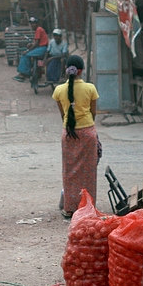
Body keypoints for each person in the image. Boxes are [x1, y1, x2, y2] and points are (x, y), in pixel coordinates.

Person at [52, 55, 99, 218]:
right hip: (88, 133)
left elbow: (63, 114)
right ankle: (88, 207)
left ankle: (70, 208)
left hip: (68, 133)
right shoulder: (90, 88)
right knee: (89, 171)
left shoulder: (58, 90)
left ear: (67, 70)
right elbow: (93, 113)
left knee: (69, 171)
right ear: (81, 71)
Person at [14, 17, 48, 81]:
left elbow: (37, 43)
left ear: (36, 24)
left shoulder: (38, 29)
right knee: (28, 55)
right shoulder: (38, 30)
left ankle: (23, 74)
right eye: (31, 24)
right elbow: (36, 42)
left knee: (25, 55)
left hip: (42, 48)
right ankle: (31, 72)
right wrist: (31, 44)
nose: (32, 25)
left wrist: (28, 50)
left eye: (33, 23)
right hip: (41, 48)